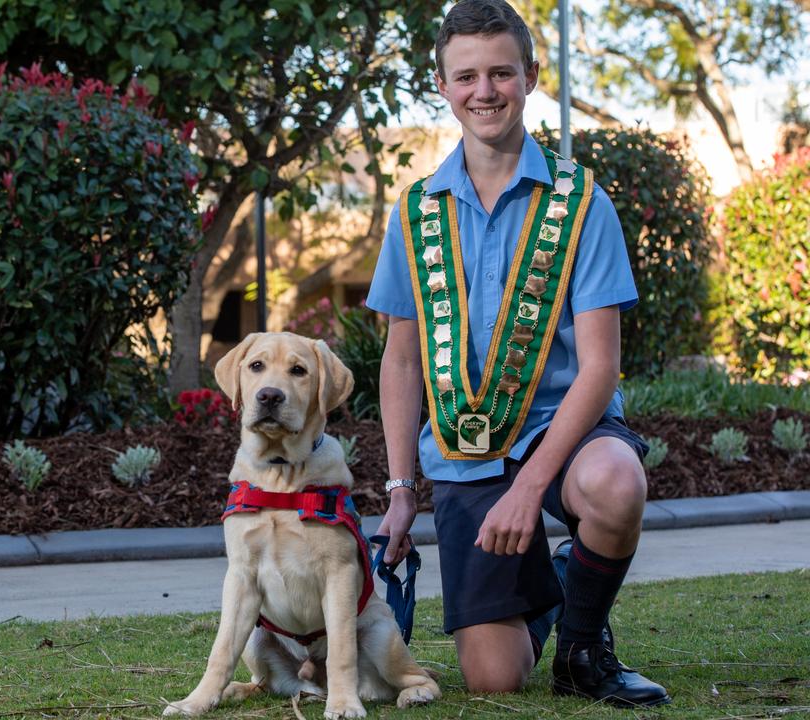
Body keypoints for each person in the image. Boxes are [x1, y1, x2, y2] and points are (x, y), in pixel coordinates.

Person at [365, 0, 669, 707]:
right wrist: (401, 490)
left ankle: (584, 648)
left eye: (502, 72)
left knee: (618, 485)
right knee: (495, 678)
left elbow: (600, 368)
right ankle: (564, 578)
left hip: (565, 437)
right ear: (442, 85)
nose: (485, 91)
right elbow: (402, 362)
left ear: (531, 77)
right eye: (467, 76)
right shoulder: (415, 214)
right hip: (467, 451)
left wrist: (530, 490)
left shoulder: (581, 202)